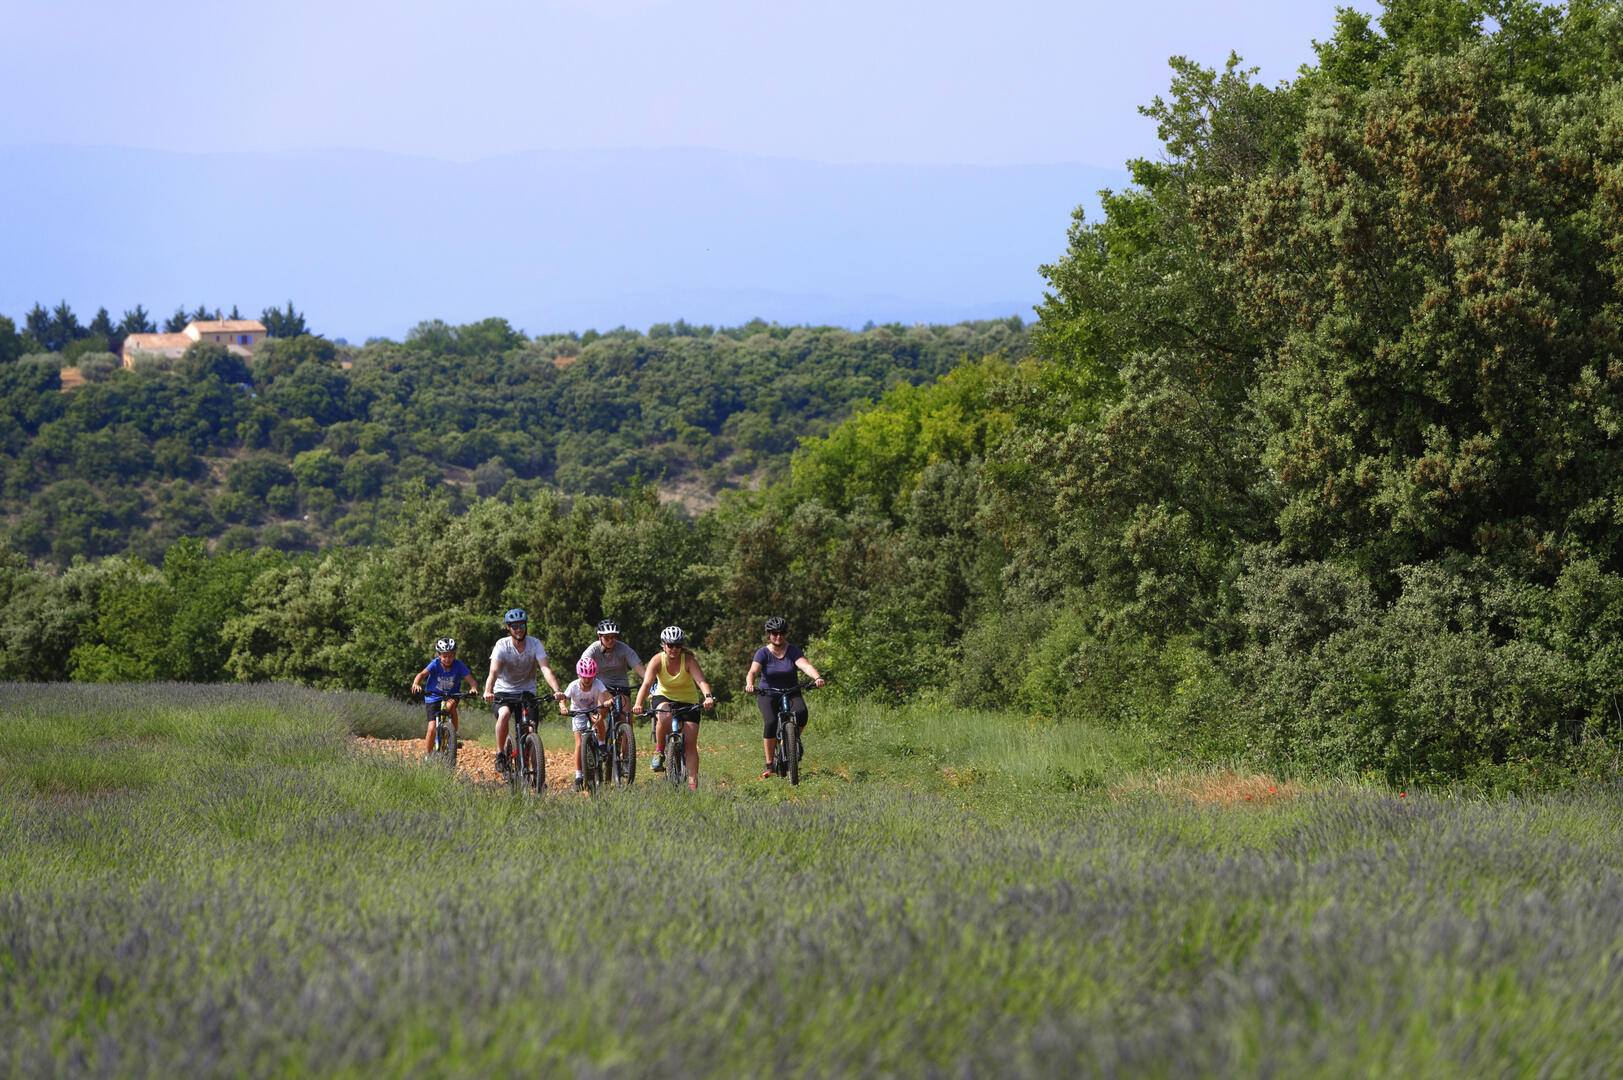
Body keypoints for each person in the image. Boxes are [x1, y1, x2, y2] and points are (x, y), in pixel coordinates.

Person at [482, 607, 565, 772]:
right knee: (504, 714)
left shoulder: (535, 644)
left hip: (527, 691)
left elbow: (545, 669)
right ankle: (500, 753)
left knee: (531, 730)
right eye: (515, 626)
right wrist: (488, 690)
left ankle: (538, 775)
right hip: (503, 690)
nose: (519, 629)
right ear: (508, 628)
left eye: (521, 625)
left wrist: (557, 689)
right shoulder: (502, 645)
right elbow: (493, 671)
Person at [632, 625, 715, 789]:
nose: (674, 649)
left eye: (678, 645)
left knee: (690, 744)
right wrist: (638, 703)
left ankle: (693, 785)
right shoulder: (657, 660)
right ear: (663, 644)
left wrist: (708, 696)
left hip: (688, 701)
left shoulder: (689, 660)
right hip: (664, 697)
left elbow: (701, 681)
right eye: (670, 645)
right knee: (664, 715)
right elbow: (647, 683)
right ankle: (659, 750)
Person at [744, 616, 825, 779]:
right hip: (769, 692)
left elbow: (805, 665)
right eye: (775, 633)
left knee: (801, 713)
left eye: (782, 633)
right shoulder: (763, 653)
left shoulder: (793, 650)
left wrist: (817, 678)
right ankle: (769, 763)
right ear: (769, 634)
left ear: (786, 634)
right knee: (771, 722)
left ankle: (793, 740)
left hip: (791, 690)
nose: (778, 636)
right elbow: (753, 671)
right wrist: (750, 683)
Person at [410, 636, 478, 759]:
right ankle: (428, 754)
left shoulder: (458, 665)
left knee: (451, 706)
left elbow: (470, 679)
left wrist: (473, 688)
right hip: (433, 697)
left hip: (452, 695)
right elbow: (422, 674)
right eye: (444, 656)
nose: (448, 659)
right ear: (439, 655)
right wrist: (416, 684)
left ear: (455, 654)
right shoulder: (435, 664)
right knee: (431, 728)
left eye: (451, 656)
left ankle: (453, 734)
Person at [562, 656, 614, 790]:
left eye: (590, 677)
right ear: (579, 674)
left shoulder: (597, 683)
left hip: (592, 711)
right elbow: (563, 699)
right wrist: (563, 707)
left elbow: (607, 694)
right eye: (584, 676)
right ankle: (578, 776)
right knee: (579, 743)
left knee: (599, 719)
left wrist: (608, 700)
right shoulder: (573, 686)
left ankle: (602, 746)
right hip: (578, 713)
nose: (587, 680)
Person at [578, 619, 646, 719]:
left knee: (626, 717)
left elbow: (641, 671)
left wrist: (651, 684)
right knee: (599, 716)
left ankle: (625, 732)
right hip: (601, 686)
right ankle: (598, 731)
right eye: (606, 637)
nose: (610, 640)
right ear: (599, 637)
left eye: (613, 637)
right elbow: (582, 670)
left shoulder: (623, 648)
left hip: (621, 686)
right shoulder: (592, 650)